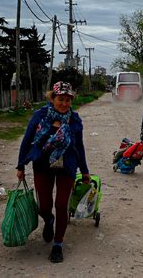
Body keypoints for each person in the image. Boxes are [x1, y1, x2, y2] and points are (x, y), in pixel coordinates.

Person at [16, 81, 90, 263]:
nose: (64, 103)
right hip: (42, 165)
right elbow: (27, 141)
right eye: (60, 99)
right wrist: (20, 165)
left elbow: (79, 146)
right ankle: (48, 220)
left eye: (68, 100)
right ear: (52, 98)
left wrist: (85, 170)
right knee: (44, 206)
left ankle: (58, 244)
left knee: (62, 204)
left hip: (67, 167)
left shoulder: (75, 119)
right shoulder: (40, 116)